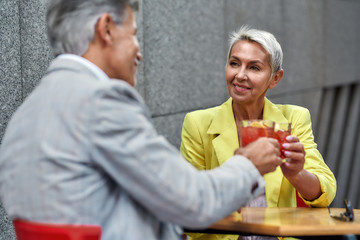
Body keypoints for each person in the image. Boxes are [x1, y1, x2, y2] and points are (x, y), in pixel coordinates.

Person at [0, 2, 284, 240]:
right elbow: (192, 200)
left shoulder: (27, 113)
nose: (139, 51)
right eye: (134, 34)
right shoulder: (103, 101)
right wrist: (248, 164)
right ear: (106, 28)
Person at [180, 26, 337, 240]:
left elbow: (325, 192)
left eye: (254, 68)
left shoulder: (294, 118)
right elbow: (189, 203)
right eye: (234, 63)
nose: (240, 75)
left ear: (275, 78)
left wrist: (297, 174)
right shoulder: (197, 123)